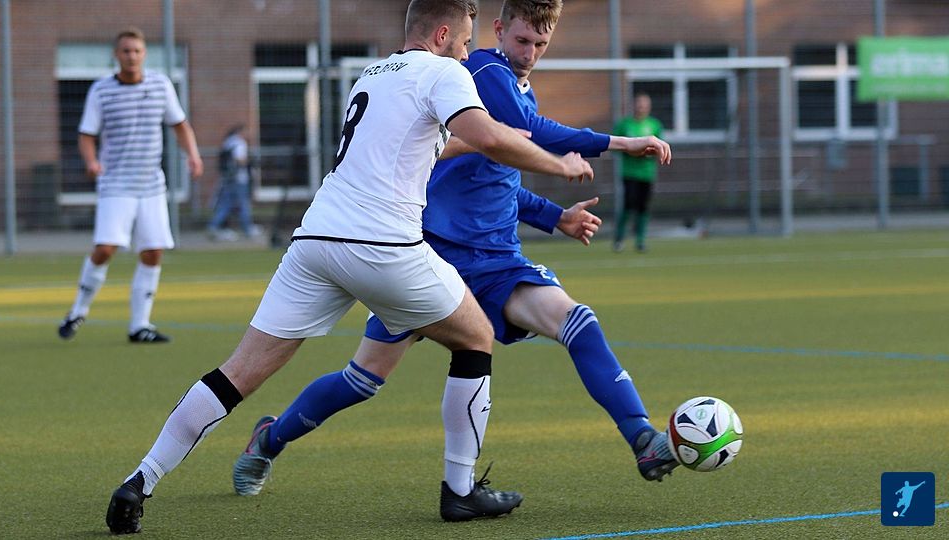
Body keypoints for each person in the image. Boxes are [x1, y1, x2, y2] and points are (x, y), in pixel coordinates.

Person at [104, 0, 594, 534]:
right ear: (442, 34)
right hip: (383, 245)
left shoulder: (374, 74)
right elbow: (490, 136)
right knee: (476, 337)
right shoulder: (445, 72)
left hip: (315, 240)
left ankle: (140, 480)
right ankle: (460, 490)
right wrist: (558, 164)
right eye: (464, 41)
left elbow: (419, 148)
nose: (467, 53)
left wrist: (479, 147)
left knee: (237, 372)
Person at [230, 0, 674, 523]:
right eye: (521, 40)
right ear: (498, 30)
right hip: (431, 257)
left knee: (576, 321)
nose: (529, 53)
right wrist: (620, 142)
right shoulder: (481, 71)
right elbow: (534, 131)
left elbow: (500, 182)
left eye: (540, 44)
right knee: (363, 379)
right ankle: (270, 438)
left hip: (498, 262)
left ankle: (642, 438)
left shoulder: (516, 87)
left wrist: (557, 218)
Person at [57, 27, 203, 344]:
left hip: (151, 184)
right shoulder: (101, 91)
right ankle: (77, 311)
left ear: (144, 54)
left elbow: (180, 125)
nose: (131, 56)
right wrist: (91, 161)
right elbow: (86, 134)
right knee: (105, 248)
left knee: (152, 252)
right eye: (126, 51)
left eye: (137, 51)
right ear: (116, 55)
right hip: (115, 184)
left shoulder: (160, 85)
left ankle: (140, 325)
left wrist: (192, 155)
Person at [613, 92, 663, 253]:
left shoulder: (654, 125)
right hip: (630, 172)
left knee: (643, 206)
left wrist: (649, 153)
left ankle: (640, 240)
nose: (641, 107)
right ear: (633, 105)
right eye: (639, 103)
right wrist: (631, 151)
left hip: (647, 173)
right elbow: (614, 145)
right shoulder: (625, 124)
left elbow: (660, 147)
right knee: (628, 204)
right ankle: (619, 239)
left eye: (644, 104)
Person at [208, 124, 260, 241]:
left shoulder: (228, 142)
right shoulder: (239, 143)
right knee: (243, 204)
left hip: (228, 178)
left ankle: (213, 226)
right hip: (239, 179)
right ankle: (247, 228)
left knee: (225, 204)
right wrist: (250, 162)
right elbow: (240, 159)